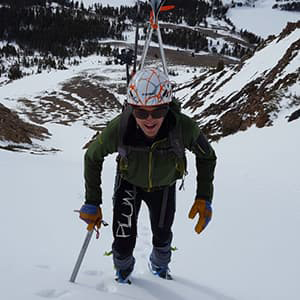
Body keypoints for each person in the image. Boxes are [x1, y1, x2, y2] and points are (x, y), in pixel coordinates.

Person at [79, 68, 217, 283]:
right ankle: (123, 270)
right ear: (132, 109)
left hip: (164, 186)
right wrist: (92, 201)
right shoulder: (121, 126)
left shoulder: (183, 127)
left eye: (158, 111)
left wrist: (204, 197)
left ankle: (160, 266)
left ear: (167, 107)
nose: (149, 120)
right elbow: (92, 157)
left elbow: (207, 156)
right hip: (128, 183)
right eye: (141, 112)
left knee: (163, 235)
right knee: (123, 238)